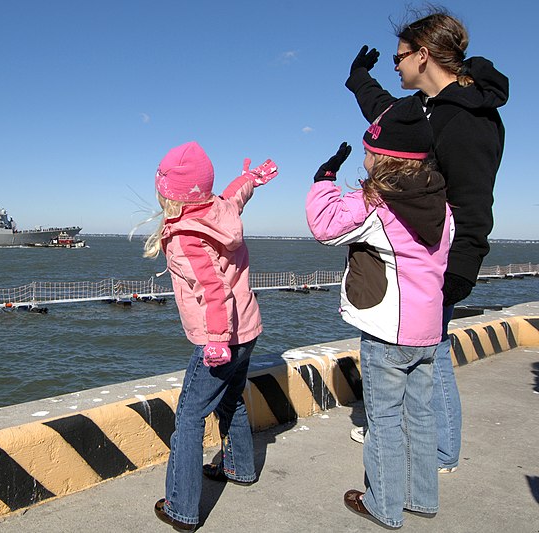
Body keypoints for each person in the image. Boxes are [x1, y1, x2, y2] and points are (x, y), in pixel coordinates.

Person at [345, 8, 508, 473]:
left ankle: (440, 453)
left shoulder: (470, 119)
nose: (394, 66)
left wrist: (459, 272)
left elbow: (474, 202)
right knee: (416, 352)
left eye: (399, 58)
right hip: (412, 252)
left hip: (438, 259)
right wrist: (359, 79)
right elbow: (386, 116)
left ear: (423, 55)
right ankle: (415, 438)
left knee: (430, 358)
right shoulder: (425, 109)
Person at [306, 96, 454, 529]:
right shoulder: (442, 206)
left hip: (388, 332)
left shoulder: (379, 203)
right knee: (421, 416)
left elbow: (326, 226)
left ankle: (383, 505)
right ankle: (421, 498)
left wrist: (325, 179)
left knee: (384, 420)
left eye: (370, 151)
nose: (366, 157)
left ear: (385, 157)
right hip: (428, 332)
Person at [144, 141, 278, 531]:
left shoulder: (187, 237)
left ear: (169, 194)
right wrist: (253, 178)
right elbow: (237, 193)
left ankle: (181, 508)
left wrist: (217, 339)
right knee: (231, 400)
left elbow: (213, 290)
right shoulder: (220, 209)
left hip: (219, 339)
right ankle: (240, 469)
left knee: (188, 416)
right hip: (247, 330)